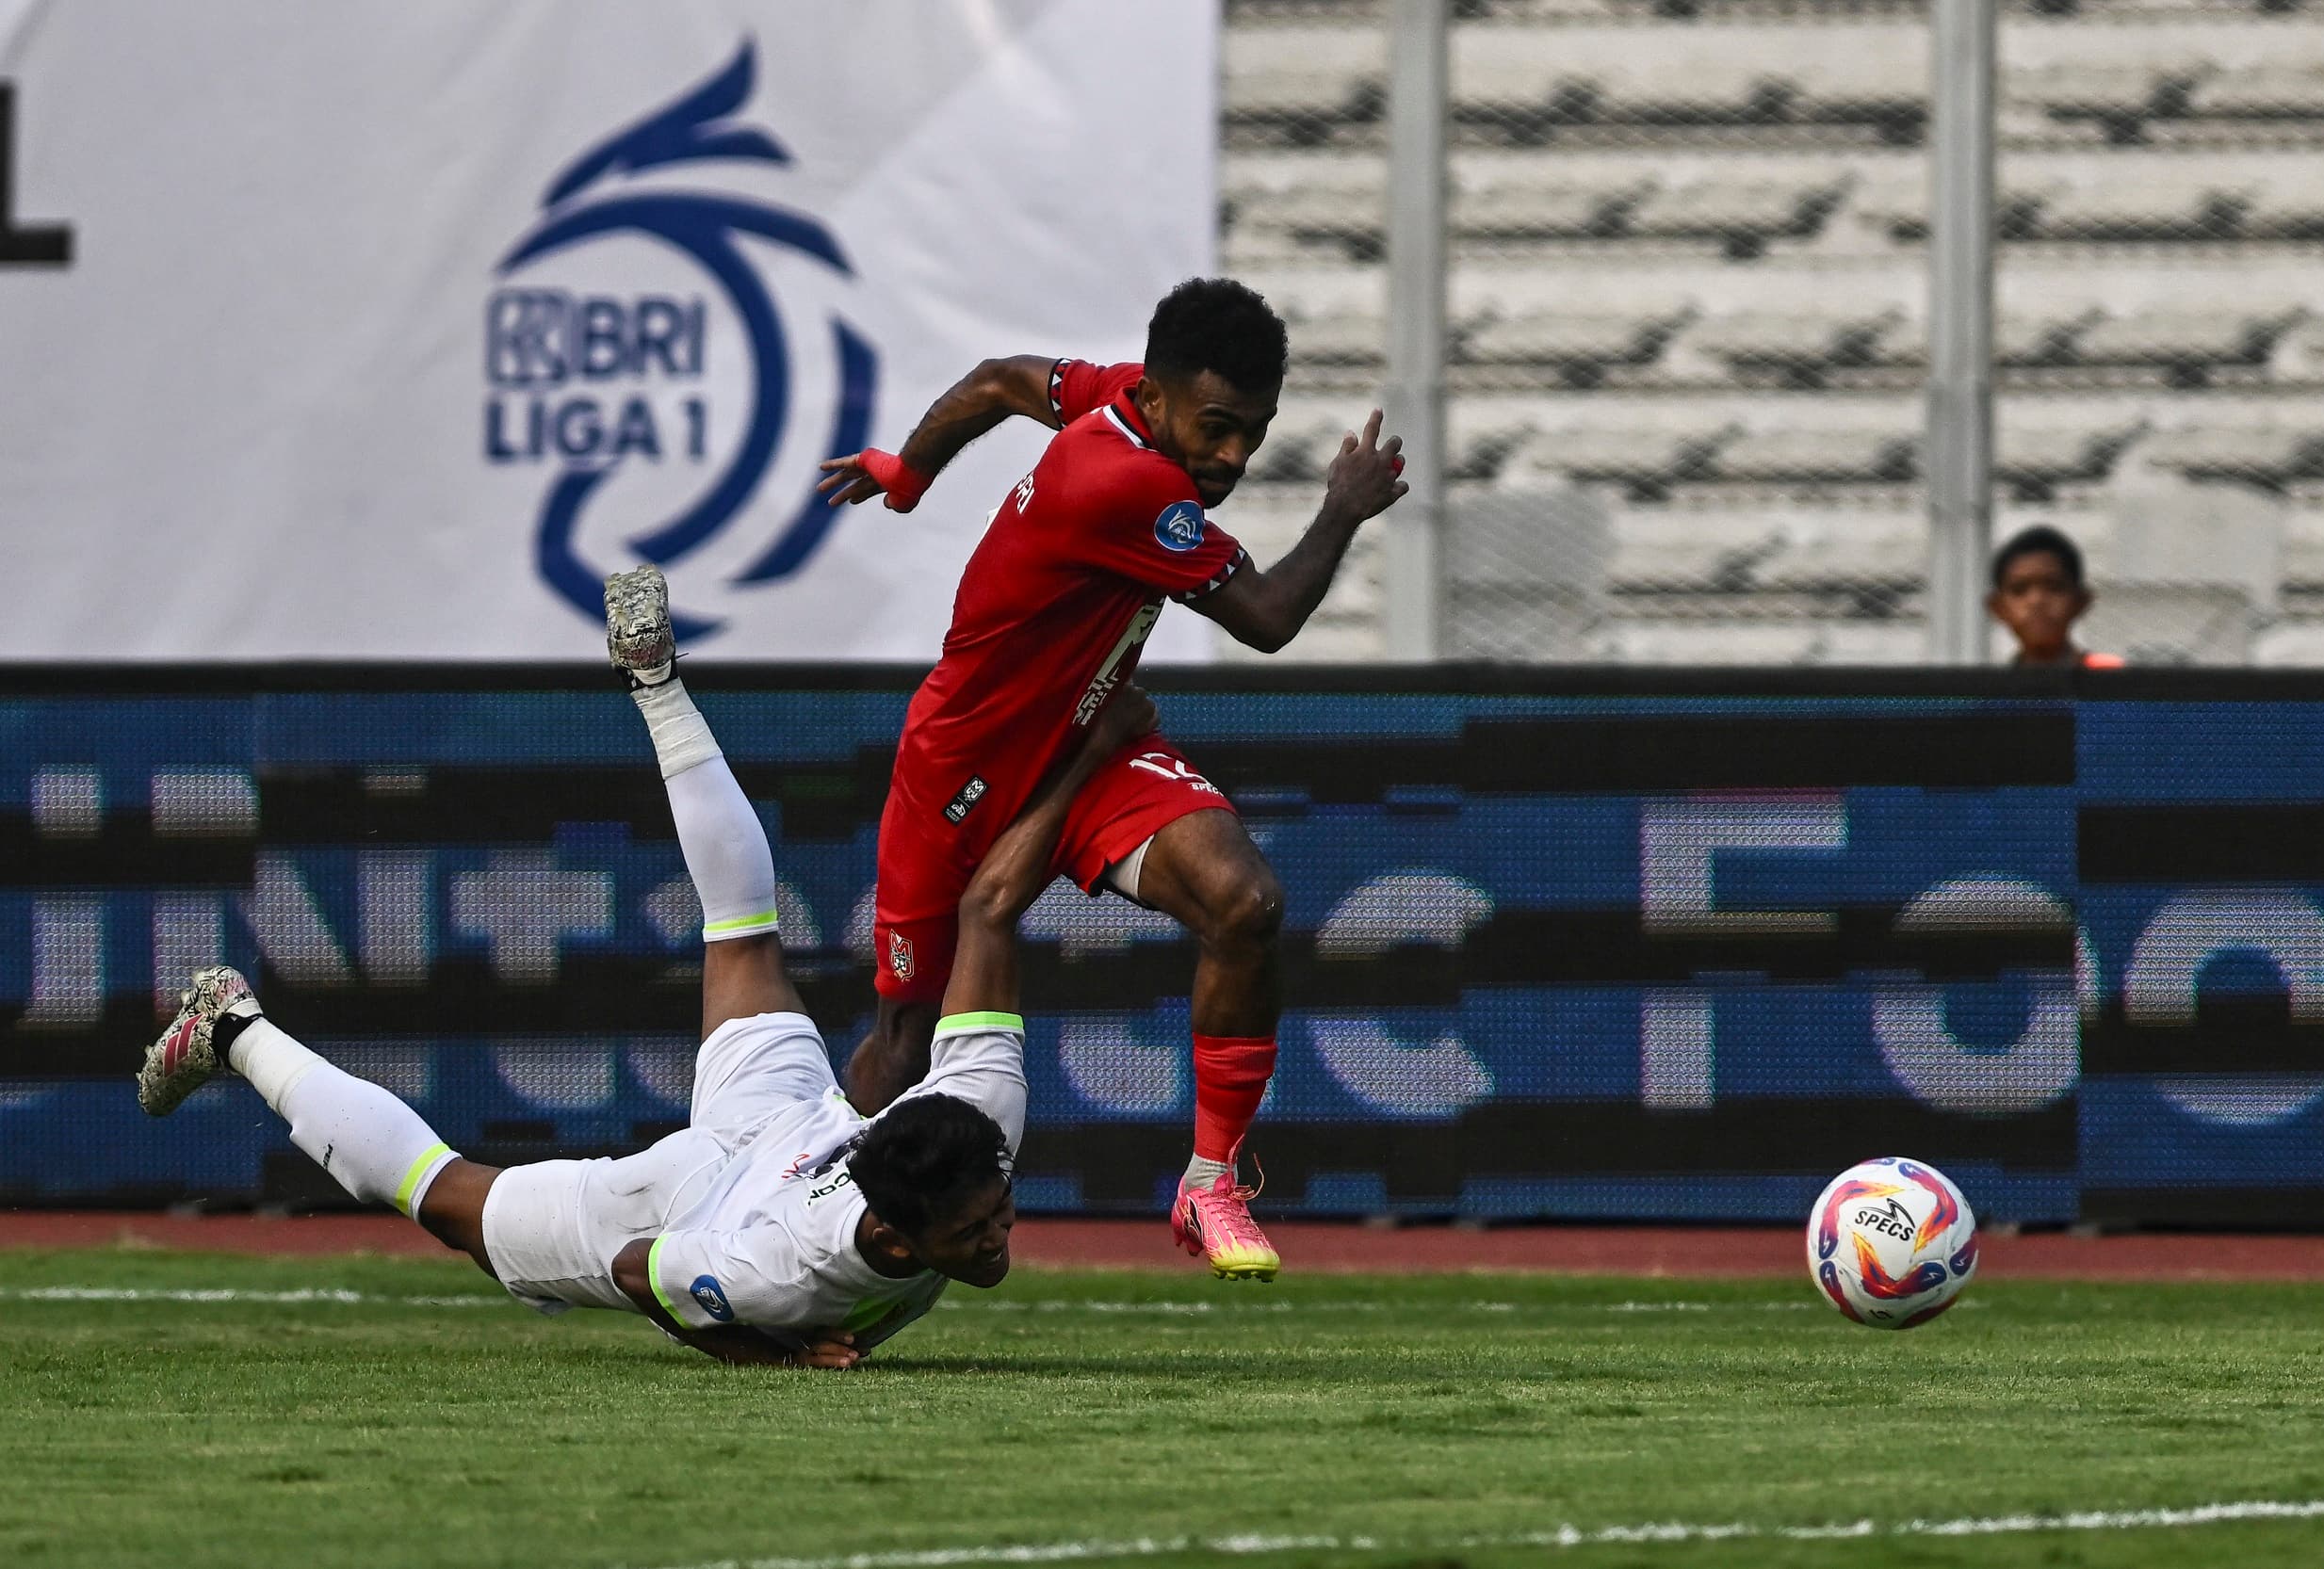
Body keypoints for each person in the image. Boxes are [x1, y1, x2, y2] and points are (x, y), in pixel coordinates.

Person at [134, 566, 1156, 1368]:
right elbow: (638, 1273)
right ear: (895, 1227)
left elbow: (988, 906)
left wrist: (1086, 752)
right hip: (694, 1197)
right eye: (977, 1225)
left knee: (745, 927)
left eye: (997, 1208)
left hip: (793, 1124)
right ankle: (231, 1027)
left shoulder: (981, 1120)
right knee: (448, 1201)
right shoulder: (775, 1274)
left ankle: (657, 679)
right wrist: (759, 1354)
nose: (1001, 1231)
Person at [813, 278, 1407, 1281]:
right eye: (1216, 429)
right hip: (965, 767)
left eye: (1251, 434)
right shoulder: (1132, 487)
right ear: (1167, 400)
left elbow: (1000, 381)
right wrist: (1342, 510)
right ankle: (800, 1189)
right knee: (904, 1041)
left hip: (1090, 747)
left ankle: (1209, 1180)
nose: (1229, 458)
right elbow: (1264, 617)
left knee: (1244, 902)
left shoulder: (1117, 395)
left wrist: (905, 471)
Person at [1986, 525, 2122, 669]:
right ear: (1998, 607)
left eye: (2054, 587)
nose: (2036, 601)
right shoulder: (1990, 689)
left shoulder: (2113, 681)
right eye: (2019, 590)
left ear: (2081, 601)